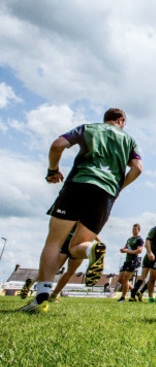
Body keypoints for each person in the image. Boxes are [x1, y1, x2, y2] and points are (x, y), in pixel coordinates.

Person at [19, 108, 142, 313]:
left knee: (54, 242)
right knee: (78, 245)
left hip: (79, 184)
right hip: (105, 194)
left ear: (107, 119)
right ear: (121, 120)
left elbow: (58, 145)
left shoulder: (88, 128)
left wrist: (52, 170)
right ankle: (90, 249)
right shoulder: (129, 141)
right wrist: (118, 188)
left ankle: (41, 300)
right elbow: (137, 168)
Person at [50, 228, 100, 302]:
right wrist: (99, 241)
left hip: (67, 240)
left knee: (53, 269)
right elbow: (90, 229)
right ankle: (54, 295)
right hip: (79, 244)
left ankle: (35, 282)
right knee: (70, 272)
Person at [116, 224, 144, 302]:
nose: (134, 230)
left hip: (133, 261)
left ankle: (123, 297)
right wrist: (123, 250)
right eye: (133, 229)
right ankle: (135, 292)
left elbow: (139, 250)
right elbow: (126, 248)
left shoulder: (139, 239)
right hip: (127, 261)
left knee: (125, 279)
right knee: (121, 280)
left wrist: (127, 251)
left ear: (139, 230)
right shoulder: (129, 239)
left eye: (135, 229)